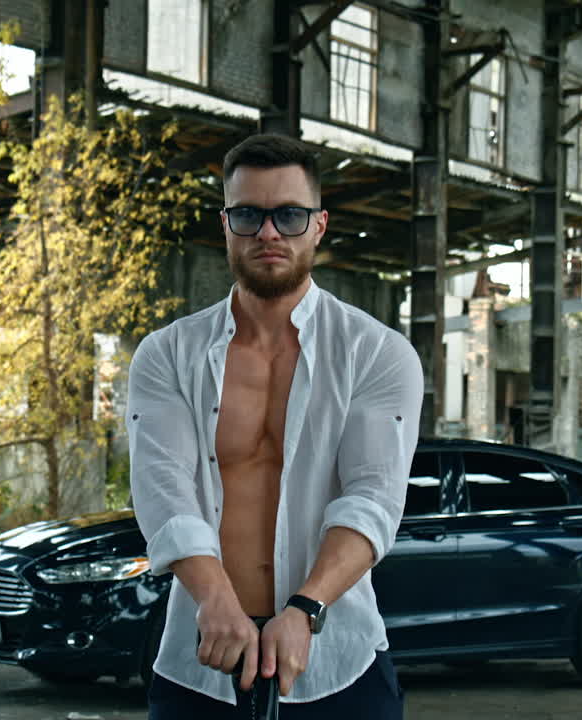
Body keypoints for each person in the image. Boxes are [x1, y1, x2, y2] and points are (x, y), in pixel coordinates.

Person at [127, 133, 424, 719]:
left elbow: (372, 498)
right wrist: (213, 598)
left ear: (318, 225)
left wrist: (306, 610)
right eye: (249, 215)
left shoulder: (377, 353)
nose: (268, 233)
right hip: (205, 649)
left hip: (337, 652)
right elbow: (164, 490)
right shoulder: (167, 354)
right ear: (226, 223)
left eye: (288, 215)